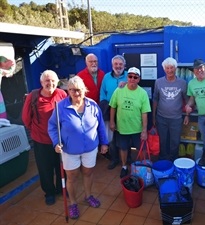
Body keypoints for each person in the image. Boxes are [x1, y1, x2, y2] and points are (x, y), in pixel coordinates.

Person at [48, 76, 109, 219]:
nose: (76, 93)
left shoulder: (93, 105)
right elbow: (52, 127)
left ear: (84, 90)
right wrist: (57, 142)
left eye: (79, 90)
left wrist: (104, 143)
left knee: (88, 173)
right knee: (72, 177)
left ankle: (89, 196)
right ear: (68, 91)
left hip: (90, 148)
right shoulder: (60, 107)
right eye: (72, 90)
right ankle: (73, 203)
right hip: (70, 150)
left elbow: (100, 126)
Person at [22, 70, 67, 205]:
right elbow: (26, 118)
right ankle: (49, 192)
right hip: (41, 140)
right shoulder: (33, 96)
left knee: (61, 166)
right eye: (47, 81)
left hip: (59, 140)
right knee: (45, 168)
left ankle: (61, 189)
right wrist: (37, 131)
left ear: (57, 82)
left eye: (53, 80)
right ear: (41, 83)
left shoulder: (62, 94)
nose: (50, 83)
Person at [109, 67, 151, 178]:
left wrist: (144, 130)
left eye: (135, 77)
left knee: (142, 149)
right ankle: (124, 167)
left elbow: (145, 113)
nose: (132, 79)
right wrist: (112, 122)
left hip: (137, 128)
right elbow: (113, 107)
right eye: (130, 76)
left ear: (139, 79)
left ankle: (142, 167)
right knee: (123, 148)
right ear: (127, 77)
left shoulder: (143, 93)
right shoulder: (119, 90)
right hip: (122, 127)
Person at [152, 57, 189, 161]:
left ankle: (174, 161)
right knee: (162, 141)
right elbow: (155, 99)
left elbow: (187, 101)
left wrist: (187, 115)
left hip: (176, 118)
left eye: (171, 68)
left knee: (175, 142)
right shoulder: (158, 82)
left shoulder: (182, 83)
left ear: (175, 68)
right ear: (164, 69)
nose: (169, 70)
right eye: (167, 68)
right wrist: (154, 117)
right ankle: (163, 161)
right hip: (161, 117)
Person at [99, 55, 130, 170]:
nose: (118, 66)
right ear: (112, 66)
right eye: (116, 64)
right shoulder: (106, 77)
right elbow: (102, 93)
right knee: (111, 136)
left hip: (125, 111)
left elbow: (135, 86)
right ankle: (114, 159)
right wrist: (104, 105)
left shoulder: (129, 76)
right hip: (109, 109)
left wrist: (126, 84)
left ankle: (127, 158)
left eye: (120, 64)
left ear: (124, 65)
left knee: (125, 135)